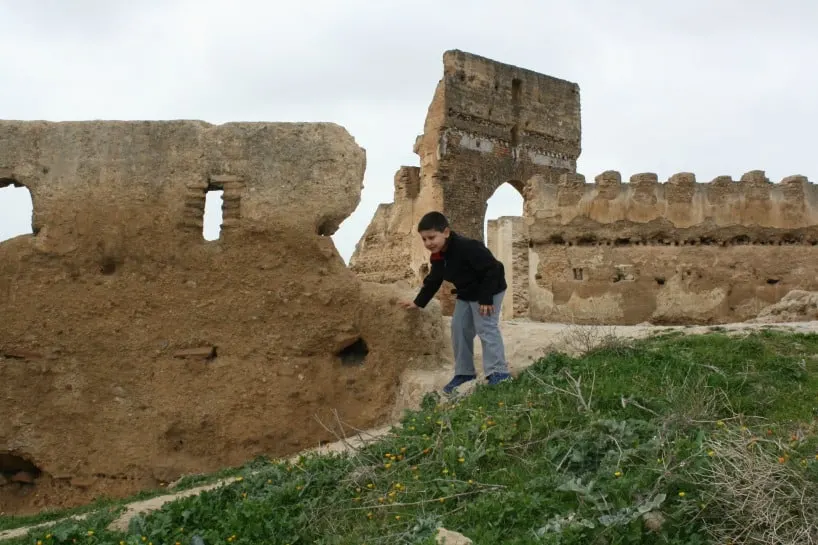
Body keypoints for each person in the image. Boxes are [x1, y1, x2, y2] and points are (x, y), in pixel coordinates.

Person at [399, 211, 512, 394]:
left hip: (489, 289)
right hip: (467, 293)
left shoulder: (468, 247)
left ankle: (498, 373)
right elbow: (434, 280)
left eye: (432, 237)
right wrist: (418, 303)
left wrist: (485, 298)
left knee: (486, 327)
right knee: (458, 329)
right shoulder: (438, 256)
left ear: (446, 232)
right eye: (424, 239)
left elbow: (495, 269)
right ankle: (465, 373)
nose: (428, 243)